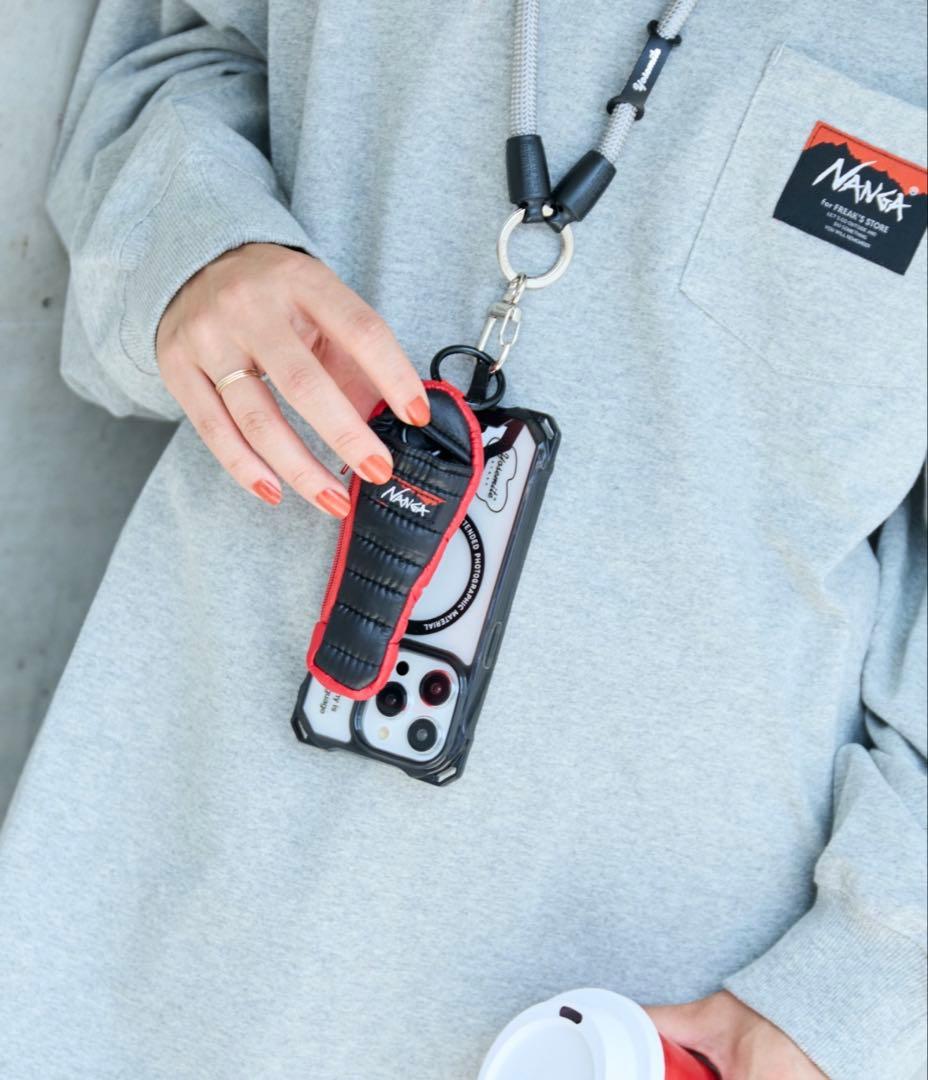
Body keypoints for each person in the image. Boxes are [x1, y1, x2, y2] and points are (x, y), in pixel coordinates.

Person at [1, 1, 925, 1077]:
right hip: (166, 909)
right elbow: (171, 62)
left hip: (636, 1013)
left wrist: (851, 995)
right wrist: (200, 252)